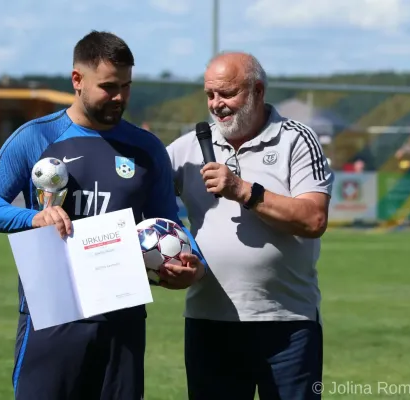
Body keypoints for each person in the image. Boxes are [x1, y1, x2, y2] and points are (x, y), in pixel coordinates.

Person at [0, 30, 207, 400]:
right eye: (109, 86)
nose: (119, 97)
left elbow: (169, 221)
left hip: (122, 318)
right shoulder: (37, 136)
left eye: (126, 86)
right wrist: (32, 219)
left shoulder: (146, 149)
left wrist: (194, 263)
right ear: (77, 80)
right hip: (51, 315)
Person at [166, 51, 334, 400]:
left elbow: (313, 219)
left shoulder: (296, 139)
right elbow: (141, 198)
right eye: (210, 95)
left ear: (257, 90)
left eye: (227, 93)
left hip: (287, 323)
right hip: (208, 322)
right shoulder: (186, 148)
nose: (216, 104)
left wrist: (242, 190)